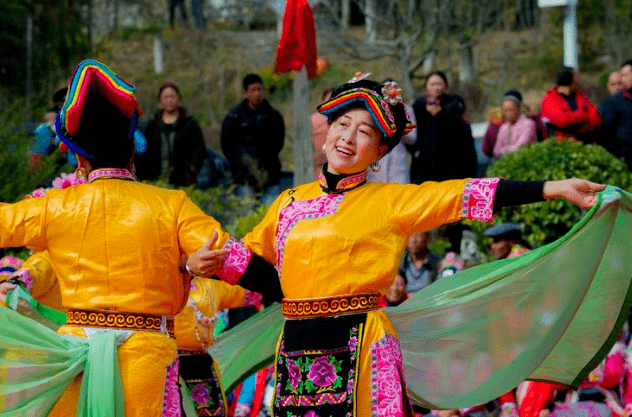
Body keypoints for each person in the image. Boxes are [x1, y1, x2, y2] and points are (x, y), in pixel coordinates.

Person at [188, 76, 608, 416]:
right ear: (326, 130)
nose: (348, 137)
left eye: (364, 132)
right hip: (296, 349)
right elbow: (256, 272)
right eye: (341, 125)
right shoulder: (287, 203)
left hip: (363, 347)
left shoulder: (390, 201)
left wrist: (553, 188)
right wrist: (200, 268)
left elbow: (465, 192)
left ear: (379, 153)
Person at [0, 59, 279, 416]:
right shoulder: (170, 205)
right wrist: (281, 287)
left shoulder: (54, 206)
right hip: (146, 360)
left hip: (78, 359)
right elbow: (233, 258)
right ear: (133, 154)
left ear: (80, 163)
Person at [220, 74, 285, 204]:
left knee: (268, 212)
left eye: (259, 89)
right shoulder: (234, 116)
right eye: (253, 90)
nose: (257, 94)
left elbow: (278, 142)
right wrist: (239, 162)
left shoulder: (274, 116)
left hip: (270, 175)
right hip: (243, 177)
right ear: (245, 93)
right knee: (246, 213)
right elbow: (226, 144)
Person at [409, 70, 477, 183]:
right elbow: (412, 133)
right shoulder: (419, 105)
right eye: (432, 84)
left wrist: (441, 113)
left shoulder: (454, 103)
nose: (436, 87)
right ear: (427, 86)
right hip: (425, 164)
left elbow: (461, 130)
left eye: (439, 84)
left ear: (445, 86)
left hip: (450, 163)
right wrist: (417, 152)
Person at [135, 82, 207, 187]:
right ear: (160, 100)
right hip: (157, 181)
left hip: (184, 182)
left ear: (178, 99)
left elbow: (199, 150)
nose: (169, 100)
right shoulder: (152, 124)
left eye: (172, 96)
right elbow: (145, 151)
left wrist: (191, 171)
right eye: (165, 97)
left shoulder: (189, 123)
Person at [367, 78, 414, 184]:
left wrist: (398, 129)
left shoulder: (407, 109)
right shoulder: (371, 111)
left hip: (398, 161)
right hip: (376, 159)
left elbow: (413, 138)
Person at [540, 67, 601, 143]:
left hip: (586, 140)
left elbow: (595, 118)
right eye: (576, 78)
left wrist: (576, 121)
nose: (579, 81)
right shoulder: (550, 99)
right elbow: (562, 120)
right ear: (569, 80)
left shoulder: (580, 96)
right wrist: (583, 116)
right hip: (562, 143)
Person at [599, 59, 632, 170]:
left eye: (625, 75)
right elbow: (605, 134)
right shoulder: (613, 103)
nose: (622, 80)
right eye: (621, 76)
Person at [492, 90, 537, 159]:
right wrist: (508, 150)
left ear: (518, 109)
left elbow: (520, 147)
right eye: (505, 110)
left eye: (511, 110)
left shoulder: (528, 124)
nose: (508, 113)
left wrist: (504, 150)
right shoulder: (503, 127)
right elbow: (496, 151)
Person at [312, 87, 334, 178]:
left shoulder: (345, 120)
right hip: (318, 168)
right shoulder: (314, 120)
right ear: (322, 101)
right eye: (329, 99)